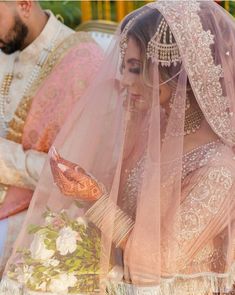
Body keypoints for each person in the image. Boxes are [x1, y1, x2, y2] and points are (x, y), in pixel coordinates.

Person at [1, 0, 235, 294]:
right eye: (124, 67)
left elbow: (159, 263)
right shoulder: (151, 130)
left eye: (135, 68)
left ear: (176, 70)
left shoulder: (219, 169)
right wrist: (83, 193)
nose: (123, 79)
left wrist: (95, 199)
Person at [0, 0, 103, 275]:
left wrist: (6, 161)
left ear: (24, 4)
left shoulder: (83, 62)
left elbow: (80, 172)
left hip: (46, 208)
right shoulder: (6, 44)